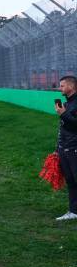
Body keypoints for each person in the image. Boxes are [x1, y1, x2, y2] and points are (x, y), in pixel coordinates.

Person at [54, 76, 77, 221]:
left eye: (62, 86)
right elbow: (63, 128)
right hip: (65, 147)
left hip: (75, 148)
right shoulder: (66, 103)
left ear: (71, 86)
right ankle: (74, 211)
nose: (60, 88)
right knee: (70, 180)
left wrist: (64, 114)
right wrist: (58, 148)